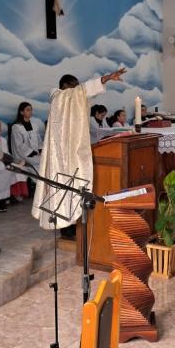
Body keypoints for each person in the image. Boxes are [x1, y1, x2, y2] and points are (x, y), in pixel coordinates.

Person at [33, 68, 126, 237]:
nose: (77, 89)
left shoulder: (69, 98)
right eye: (74, 86)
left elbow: (83, 91)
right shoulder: (58, 97)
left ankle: (73, 224)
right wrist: (106, 78)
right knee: (62, 188)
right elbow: (83, 90)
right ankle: (65, 228)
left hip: (72, 150)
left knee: (74, 188)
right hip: (59, 154)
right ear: (65, 86)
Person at [0, 118, 29, 202]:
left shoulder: (3, 140)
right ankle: (11, 195)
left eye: (0, 126)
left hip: (6, 160)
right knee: (10, 169)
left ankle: (17, 194)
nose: (0, 128)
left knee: (19, 168)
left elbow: (7, 153)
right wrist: (8, 160)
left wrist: (14, 161)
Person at [11, 103, 43, 171]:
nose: (31, 112)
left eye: (31, 110)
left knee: (45, 159)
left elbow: (39, 141)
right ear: (21, 112)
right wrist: (34, 153)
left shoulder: (35, 126)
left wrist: (41, 151)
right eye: (28, 110)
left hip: (35, 154)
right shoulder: (16, 127)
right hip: (23, 155)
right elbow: (19, 146)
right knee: (41, 161)